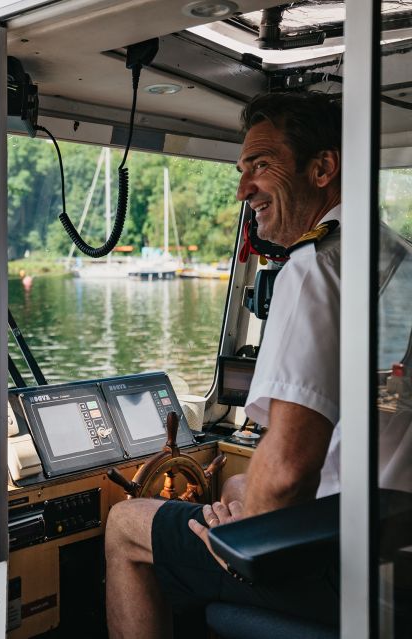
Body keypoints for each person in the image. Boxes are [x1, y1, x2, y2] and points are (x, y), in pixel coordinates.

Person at [105, 91, 343, 639]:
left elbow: (286, 473)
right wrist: (240, 505)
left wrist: (239, 540)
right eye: (242, 169)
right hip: (388, 539)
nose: (243, 190)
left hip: (341, 560)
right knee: (232, 490)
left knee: (124, 524)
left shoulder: (314, 268)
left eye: (261, 164)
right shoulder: (392, 253)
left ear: (322, 167)